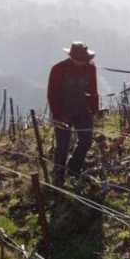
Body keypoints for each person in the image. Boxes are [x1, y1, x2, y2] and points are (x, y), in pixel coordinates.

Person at [47, 41, 100, 186]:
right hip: (63, 111)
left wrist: (94, 110)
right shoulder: (58, 69)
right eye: (81, 60)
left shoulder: (90, 69)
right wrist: (57, 115)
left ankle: (74, 169)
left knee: (86, 140)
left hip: (82, 110)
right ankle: (58, 176)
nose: (84, 62)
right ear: (73, 58)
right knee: (62, 145)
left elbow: (93, 91)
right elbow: (52, 94)